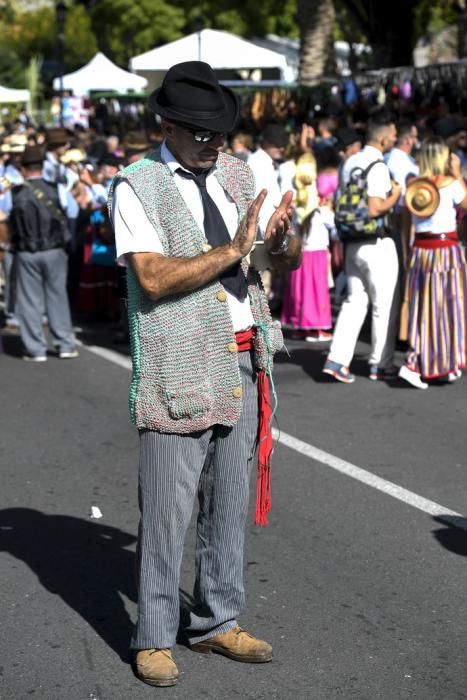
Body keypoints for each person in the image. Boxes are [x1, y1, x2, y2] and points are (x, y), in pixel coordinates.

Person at [109, 61, 301, 688]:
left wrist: (283, 240)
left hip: (243, 357)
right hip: (177, 364)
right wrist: (236, 248)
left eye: (219, 132)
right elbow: (154, 279)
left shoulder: (237, 174)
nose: (213, 143)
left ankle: (219, 620)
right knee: (166, 509)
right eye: (199, 132)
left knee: (228, 504)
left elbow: (268, 259)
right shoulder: (137, 185)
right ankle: (155, 636)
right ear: (167, 124)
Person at [323, 112, 401, 383]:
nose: (394, 138)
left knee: (354, 301)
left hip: (351, 241)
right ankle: (380, 363)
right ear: (382, 137)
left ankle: (337, 359)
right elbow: (376, 207)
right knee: (384, 304)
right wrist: (396, 195)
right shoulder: (377, 164)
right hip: (376, 240)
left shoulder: (350, 162)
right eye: (392, 134)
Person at [399, 137, 467, 389]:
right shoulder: (451, 185)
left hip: (420, 250)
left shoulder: (414, 186)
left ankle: (437, 363)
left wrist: (407, 250)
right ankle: (415, 363)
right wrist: (459, 174)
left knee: (423, 307)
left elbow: (406, 223)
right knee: (448, 307)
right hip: (445, 250)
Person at [6, 146, 78, 361]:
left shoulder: (14, 193)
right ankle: (65, 344)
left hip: (26, 250)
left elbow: (3, 216)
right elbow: (72, 213)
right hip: (55, 249)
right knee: (58, 296)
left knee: (30, 299)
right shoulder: (59, 189)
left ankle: (35, 348)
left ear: (22, 168)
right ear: (42, 166)